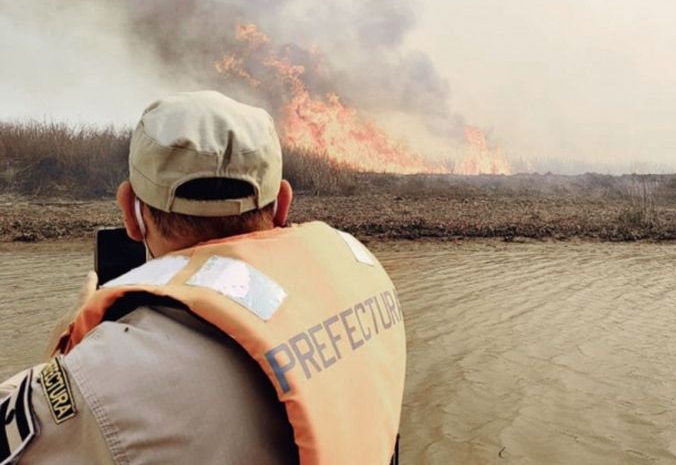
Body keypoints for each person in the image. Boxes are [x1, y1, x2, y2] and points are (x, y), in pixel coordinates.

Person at [0, 91, 406, 465]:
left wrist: (64, 348)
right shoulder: (365, 271)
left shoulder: (105, 375)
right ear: (283, 203)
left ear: (131, 212)